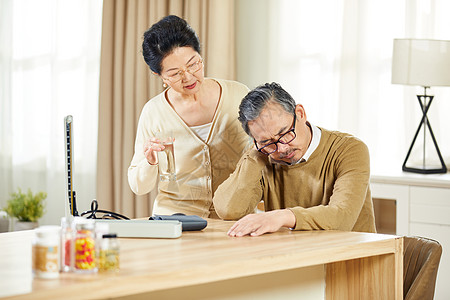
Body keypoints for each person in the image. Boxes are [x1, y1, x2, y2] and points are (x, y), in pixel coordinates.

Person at [213, 82, 376, 236]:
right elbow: (228, 210)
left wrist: (282, 217)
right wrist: (256, 154)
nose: (282, 148)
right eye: (267, 141)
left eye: (285, 133)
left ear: (300, 114)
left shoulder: (349, 149)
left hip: (353, 258)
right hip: (296, 255)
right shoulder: (264, 154)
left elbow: (342, 217)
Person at [128, 15, 250, 218]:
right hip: (177, 221)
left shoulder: (238, 95)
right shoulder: (154, 112)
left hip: (235, 218)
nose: (189, 77)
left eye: (193, 64)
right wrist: (150, 162)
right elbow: (138, 186)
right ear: (160, 76)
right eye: (175, 73)